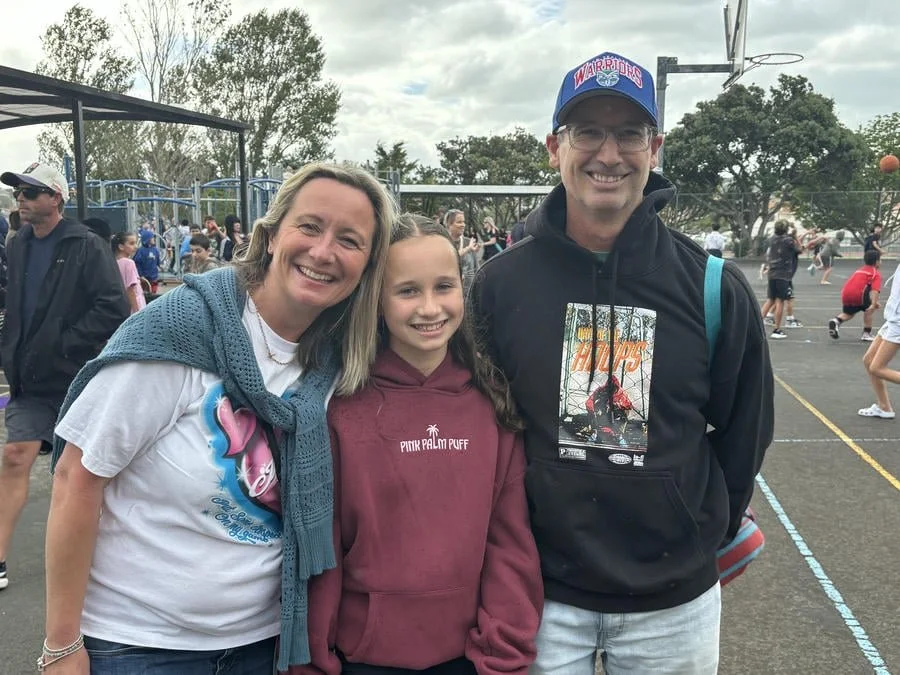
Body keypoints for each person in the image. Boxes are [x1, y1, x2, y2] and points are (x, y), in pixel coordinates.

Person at [469, 51, 773, 675]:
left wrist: (695, 530)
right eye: (588, 132)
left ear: (655, 147)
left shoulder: (715, 287)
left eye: (629, 133)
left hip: (673, 606)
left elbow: (744, 436)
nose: (608, 154)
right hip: (538, 595)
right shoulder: (497, 285)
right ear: (554, 147)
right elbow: (480, 427)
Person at [41, 163, 396, 673]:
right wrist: (61, 644)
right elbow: (76, 476)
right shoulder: (182, 329)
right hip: (139, 645)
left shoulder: (340, 364)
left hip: (265, 643)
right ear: (271, 236)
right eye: (310, 227)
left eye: (349, 240)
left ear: (367, 264)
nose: (323, 252)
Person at [297, 214, 542, 675]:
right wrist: (312, 660)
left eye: (444, 286)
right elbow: (319, 552)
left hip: (468, 659)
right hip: (361, 659)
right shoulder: (338, 409)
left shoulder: (492, 404)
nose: (430, 308)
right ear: (377, 302)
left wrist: (504, 655)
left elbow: (509, 542)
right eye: (408, 291)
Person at [0, 162, 129, 592]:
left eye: (31, 191)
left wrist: (63, 344)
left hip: (75, 378)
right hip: (29, 378)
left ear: (55, 197)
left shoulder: (86, 245)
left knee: (77, 474)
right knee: (16, 455)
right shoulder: (17, 243)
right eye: (19, 191)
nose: (22, 197)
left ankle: (96, 556)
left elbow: (113, 308)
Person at [858, 256, 900, 420]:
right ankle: (884, 407)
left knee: (877, 367)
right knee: (869, 360)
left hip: (898, 321)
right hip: (892, 317)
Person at [829, 249, 882, 342]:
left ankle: (836, 321)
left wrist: (873, 302)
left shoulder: (860, 270)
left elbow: (858, 286)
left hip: (846, 293)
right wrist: (873, 303)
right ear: (877, 261)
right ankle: (867, 333)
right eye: (880, 259)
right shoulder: (875, 273)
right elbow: (875, 290)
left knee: (849, 313)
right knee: (869, 310)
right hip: (859, 295)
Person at [760, 221, 801, 339]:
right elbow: (799, 249)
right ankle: (776, 329)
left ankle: (756, 325)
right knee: (779, 301)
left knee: (770, 300)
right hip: (783, 274)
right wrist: (795, 236)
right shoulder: (788, 241)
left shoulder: (771, 239)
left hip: (772, 273)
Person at [445, 209, 480, 296]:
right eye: (459, 222)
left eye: (463, 222)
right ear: (449, 224)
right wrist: (468, 248)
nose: (463, 225)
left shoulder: (468, 242)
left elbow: (476, 267)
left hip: (468, 294)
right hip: (448, 293)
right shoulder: (443, 243)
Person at [111, 231, 146, 314]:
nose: (136, 247)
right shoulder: (129, 263)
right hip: (135, 306)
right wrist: (137, 312)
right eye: (131, 243)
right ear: (121, 246)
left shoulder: (113, 262)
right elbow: (130, 288)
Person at [133, 228, 161, 293]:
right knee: (144, 293)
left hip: (154, 276)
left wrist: (159, 265)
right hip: (144, 278)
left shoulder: (155, 250)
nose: (153, 239)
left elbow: (157, 261)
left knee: (153, 292)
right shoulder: (141, 251)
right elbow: (137, 264)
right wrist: (140, 275)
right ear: (147, 239)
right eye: (152, 238)